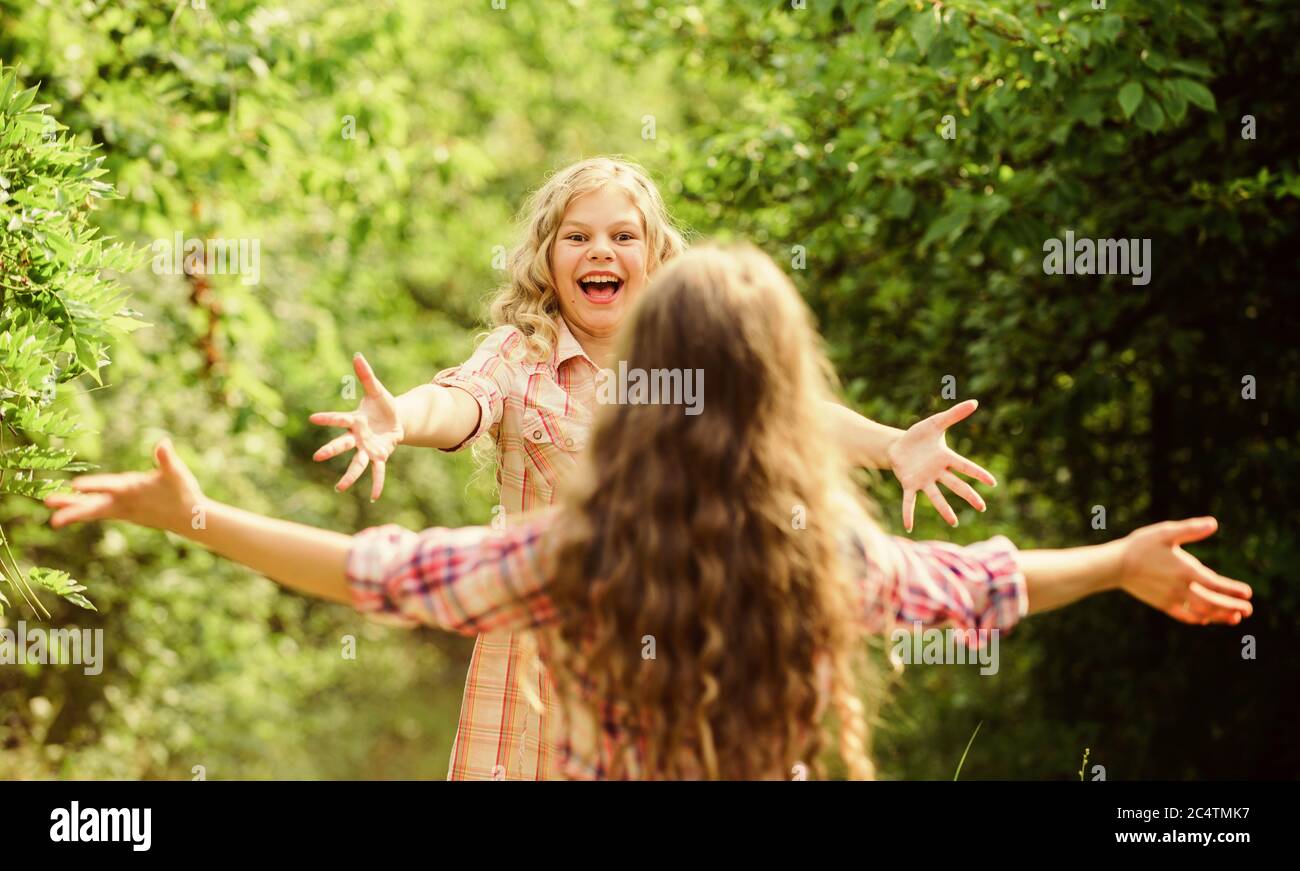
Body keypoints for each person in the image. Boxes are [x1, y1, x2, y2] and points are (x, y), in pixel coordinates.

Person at [45, 242, 1253, 779]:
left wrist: (196, 515)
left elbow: (379, 568)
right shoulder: (815, 553)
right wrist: (1114, 561)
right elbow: (976, 583)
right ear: (782, 389)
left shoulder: (584, 554)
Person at [306, 156, 997, 779]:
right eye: (576, 236)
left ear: (654, 254)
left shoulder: (690, 360)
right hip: (540, 653)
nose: (599, 250)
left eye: (622, 236)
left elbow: (788, 412)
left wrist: (893, 445)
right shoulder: (519, 356)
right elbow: (459, 402)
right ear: (547, 258)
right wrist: (402, 418)